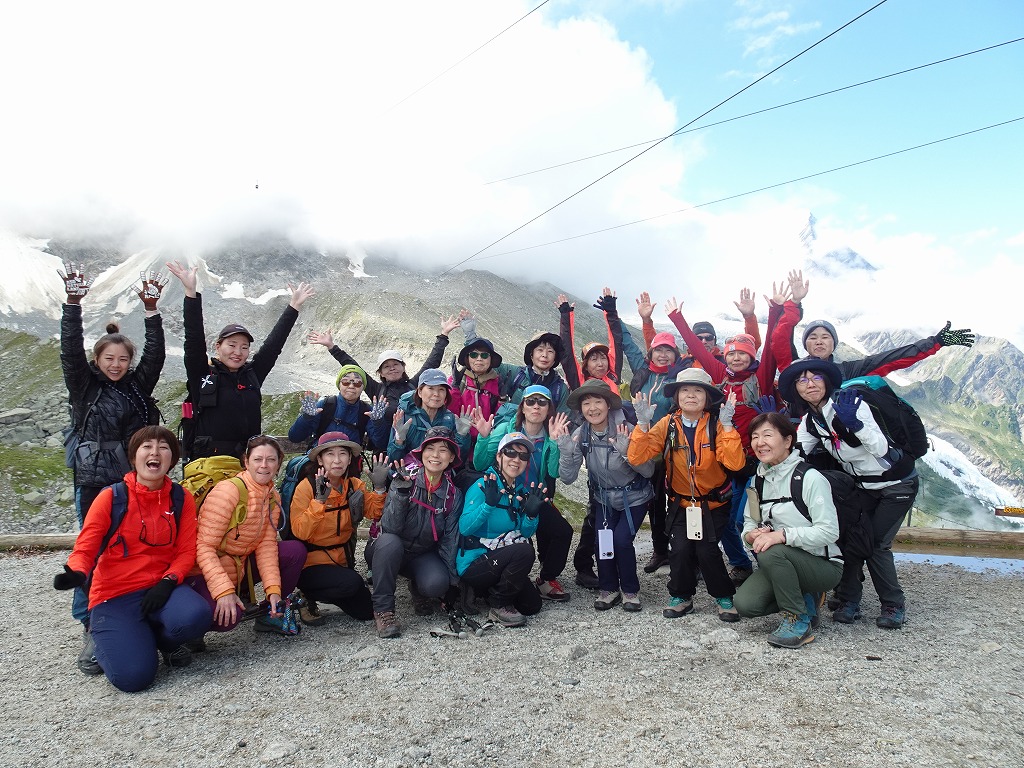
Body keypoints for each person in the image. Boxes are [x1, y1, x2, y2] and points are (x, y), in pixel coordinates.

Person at [58, 263, 167, 673]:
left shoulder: (138, 387)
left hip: (136, 481)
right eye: (109, 358)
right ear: (98, 359)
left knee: (137, 546)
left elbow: (155, 355)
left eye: (123, 359)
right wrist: (73, 304)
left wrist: (151, 311)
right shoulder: (84, 386)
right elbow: (69, 351)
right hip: (94, 482)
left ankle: (133, 613)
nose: (116, 365)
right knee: (92, 549)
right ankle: (90, 623)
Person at [53, 427, 211, 692]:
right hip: (114, 595)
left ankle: (164, 642)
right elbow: (86, 546)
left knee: (196, 616)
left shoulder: (180, 498)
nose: (155, 452)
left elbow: (186, 551)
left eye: (163, 447)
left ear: (172, 460)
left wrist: (168, 582)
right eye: (146, 446)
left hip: (160, 590)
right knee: (133, 678)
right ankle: (102, 636)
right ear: (133, 456)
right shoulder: (112, 497)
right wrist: (78, 572)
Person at [779, 358, 919, 629]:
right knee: (851, 537)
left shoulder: (851, 405)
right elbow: (797, 454)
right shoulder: (811, 421)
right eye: (802, 380)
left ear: (827, 381)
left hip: (897, 484)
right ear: (796, 389)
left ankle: (893, 604)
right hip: (863, 487)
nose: (809, 384)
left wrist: (856, 425)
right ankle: (849, 600)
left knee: (876, 544)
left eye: (815, 377)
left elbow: (881, 450)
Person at [663, 291, 787, 586]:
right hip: (730, 460)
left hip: (758, 461)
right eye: (731, 353)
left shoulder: (761, 377)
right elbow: (699, 350)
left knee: (749, 518)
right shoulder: (721, 374)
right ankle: (742, 564)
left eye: (742, 353)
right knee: (731, 521)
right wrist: (677, 319)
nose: (736, 357)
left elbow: (771, 349)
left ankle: (770, 567)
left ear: (751, 356)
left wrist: (773, 312)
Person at [167, 260, 314, 465]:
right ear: (218, 346)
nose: (238, 352)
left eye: (244, 347)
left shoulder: (252, 374)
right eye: (232, 345)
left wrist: (294, 307)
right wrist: (191, 294)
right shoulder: (202, 373)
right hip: (209, 465)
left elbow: (273, 346)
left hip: (248, 465)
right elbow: (193, 340)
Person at [628, 369, 746, 621]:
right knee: (679, 549)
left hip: (714, 504)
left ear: (707, 397)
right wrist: (642, 425)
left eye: (698, 390)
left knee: (706, 550)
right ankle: (681, 596)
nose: (691, 395)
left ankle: (723, 596)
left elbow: (735, 463)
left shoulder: (716, 425)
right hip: (681, 503)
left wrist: (727, 427)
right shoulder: (668, 424)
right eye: (685, 390)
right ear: (677, 396)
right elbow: (637, 457)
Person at [734, 412, 843, 648]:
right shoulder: (757, 481)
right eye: (755, 437)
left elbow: (829, 532)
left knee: (771, 551)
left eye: (767, 435)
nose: (760, 442)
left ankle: (798, 620)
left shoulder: (810, 478)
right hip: (782, 563)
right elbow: (750, 522)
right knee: (746, 605)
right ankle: (806, 599)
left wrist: (782, 535)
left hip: (823, 564)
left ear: (787, 441)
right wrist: (751, 535)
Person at [185, 436, 307, 635]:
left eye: (271, 460)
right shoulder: (228, 491)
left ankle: (270, 613)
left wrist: (273, 590)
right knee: (227, 618)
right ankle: (192, 629)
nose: (264, 465)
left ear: (278, 464)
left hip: (239, 566)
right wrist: (224, 591)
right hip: (201, 571)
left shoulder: (272, 497)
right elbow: (204, 547)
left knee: (294, 551)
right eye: (258, 459)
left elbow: (266, 545)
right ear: (246, 462)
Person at [554, 380, 655, 612]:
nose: (592, 408)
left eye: (597, 401)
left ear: (608, 404)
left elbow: (649, 470)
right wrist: (566, 452)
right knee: (602, 541)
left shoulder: (627, 429)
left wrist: (628, 453)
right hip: (603, 499)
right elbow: (567, 478)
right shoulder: (581, 433)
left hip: (634, 497)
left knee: (621, 540)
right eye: (586, 403)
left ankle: (630, 590)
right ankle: (608, 588)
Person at [772, 269, 975, 379]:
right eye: (813, 337)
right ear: (805, 344)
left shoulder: (849, 371)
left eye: (825, 337)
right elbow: (780, 338)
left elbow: (893, 358)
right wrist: (794, 303)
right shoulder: (793, 367)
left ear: (834, 344)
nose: (819, 341)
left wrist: (936, 342)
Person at [307, 313, 463, 452]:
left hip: (412, 446)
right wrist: (332, 347)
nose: (392, 368)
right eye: (386, 366)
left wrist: (444, 335)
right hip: (383, 448)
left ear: (403, 367)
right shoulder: (376, 390)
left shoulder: (414, 386)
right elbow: (353, 366)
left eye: (395, 364)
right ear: (380, 373)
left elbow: (432, 362)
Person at [472, 385, 573, 602]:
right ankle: (501, 577)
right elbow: (479, 464)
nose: (536, 406)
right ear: (522, 407)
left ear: (548, 409)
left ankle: (546, 578)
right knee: (521, 544)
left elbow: (553, 472)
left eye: (542, 402)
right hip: (506, 496)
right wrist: (484, 438)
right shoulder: (505, 429)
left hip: (533, 498)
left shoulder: (549, 435)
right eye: (531, 401)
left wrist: (554, 442)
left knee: (562, 531)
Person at [367, 426, 464, 638]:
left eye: (443, 450)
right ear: (421, 454)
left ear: (451, 458)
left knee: (436, 584)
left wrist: (452, 582)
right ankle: (383, 609)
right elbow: (389, 528)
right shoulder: (405, 478)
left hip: (420, 553)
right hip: (387, 548)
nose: (435, 455)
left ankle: (418, 588)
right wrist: (401, 494)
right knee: (390, 543)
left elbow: (449, 539)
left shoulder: (453, 495)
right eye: (430, 449)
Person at [619, 291, 686, 574]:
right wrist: (613, 313)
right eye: (659, 349)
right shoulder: (642, 370)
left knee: (670, 499)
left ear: (675, 355)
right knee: (647, 498)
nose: (662, 354)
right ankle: (654, 550)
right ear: (651, 352)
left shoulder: (678, 377)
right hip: (641, 444)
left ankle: (673, 551)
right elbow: (627, 344)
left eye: (668, 350)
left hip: (668, 447)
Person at [289, 432, 385, 627]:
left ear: (349, 458)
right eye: (330, 454)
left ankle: (334, 590)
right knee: (352, 583)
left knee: (366, 612)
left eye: (343, 453)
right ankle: (305, 595)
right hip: (311, 566)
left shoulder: (354, 485)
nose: (337, 460)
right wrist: (319, 502)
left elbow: (374, 512)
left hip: (342, 563)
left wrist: (380, 488)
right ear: (320, 460)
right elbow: (300, 532)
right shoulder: (306, 488)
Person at [457, 432, 547, 627]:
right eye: (510, 453)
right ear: (499, 456)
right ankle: (499, 605)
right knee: (524, 551)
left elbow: (525, 533)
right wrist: (488, 505)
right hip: (474, 562)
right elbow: (464, 528)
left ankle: (484, 592)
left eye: (523, 456)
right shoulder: (483, 485)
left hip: (499, 560)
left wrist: (531, 515)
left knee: (532, 605)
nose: (516, 460)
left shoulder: (519, 490)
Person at [460, 313, 570, 414]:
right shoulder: (514, 373)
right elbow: (484, 364)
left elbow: (564, 420)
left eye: (550, 351)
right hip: (510, 428)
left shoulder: (560, 390)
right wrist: (470, 337)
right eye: (540, 350)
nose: (544, 355)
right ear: (531, 355)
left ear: (555, 358)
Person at [288, 364, 388, 451]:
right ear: (339, 385)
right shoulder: (325, 405)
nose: (351, 386)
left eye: (357, 383)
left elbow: (381, 444)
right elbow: (295, 437)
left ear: (363, 387)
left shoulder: (367, 411)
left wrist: (378, 422)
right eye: (345, 382)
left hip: (350, 462)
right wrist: (307, 417)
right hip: (321, 458)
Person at [387, 369, 472, 463]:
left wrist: (461, 436)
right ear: (420, 392)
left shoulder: (450, 419)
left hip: (439, 469)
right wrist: (399, 441)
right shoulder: (404, 417)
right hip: (410, 470)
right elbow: (393, 460)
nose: (436, 394)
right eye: (431, 388)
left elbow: (458, 460)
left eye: (441, 389)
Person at [556, 288, 625, 393]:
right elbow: (567, 353)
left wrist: (611, 312)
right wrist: (566, 316)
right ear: (586, 366)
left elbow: (616, 341)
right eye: (594, 359)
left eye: (603, 358)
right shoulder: (580, 381)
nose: (600, 364)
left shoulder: (613, 375)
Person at [448, 336, 503, 439]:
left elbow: (499, 417)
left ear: (491, 359)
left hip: (485, 438)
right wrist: (454, 388)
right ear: (467, 359)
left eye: (484, 355)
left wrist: (503, 400)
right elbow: (449, 410)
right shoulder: (457, 380)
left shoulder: (498, 383)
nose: (479, 359)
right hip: (457, 437)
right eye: (474, 355)